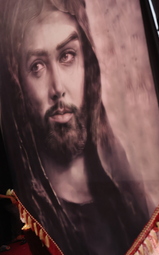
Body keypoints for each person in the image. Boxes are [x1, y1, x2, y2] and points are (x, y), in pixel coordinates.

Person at [0, 0, 148, 254]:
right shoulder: (39, 226)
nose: (57, 88)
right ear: (18, 85)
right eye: (37, 66)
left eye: (67, 56)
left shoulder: (130, 201)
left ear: (89, 68)